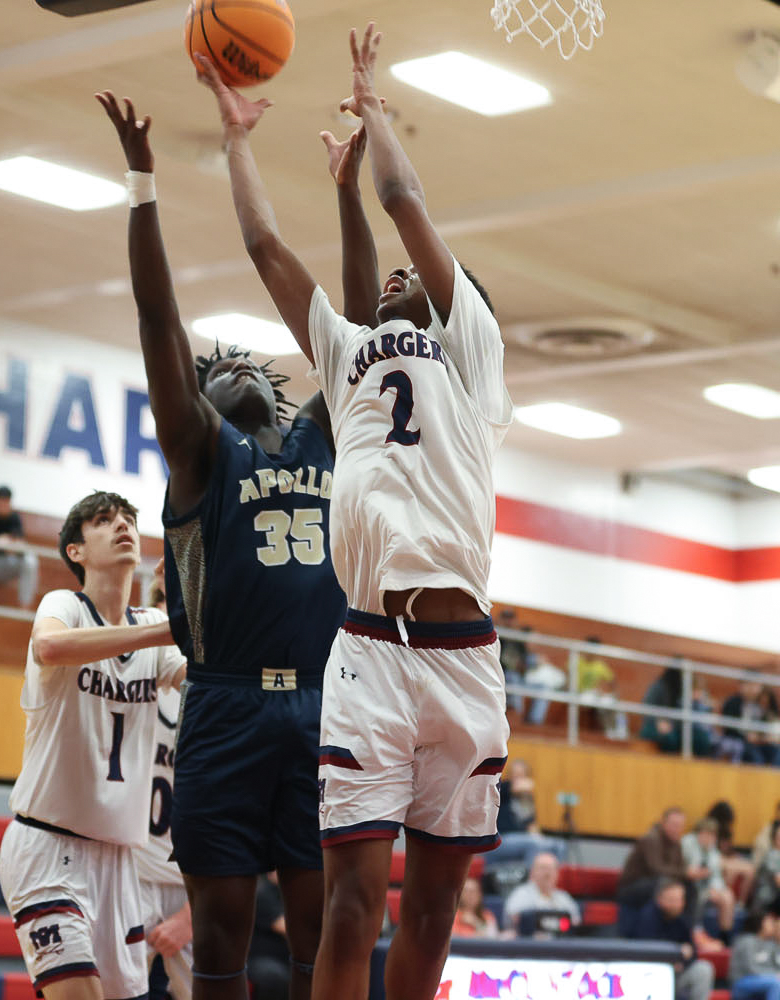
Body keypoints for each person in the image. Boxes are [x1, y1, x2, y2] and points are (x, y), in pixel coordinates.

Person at [196, 18, 515, 1000]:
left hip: (464, 657)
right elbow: (261, 242)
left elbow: (404, 197)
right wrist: (237, 136)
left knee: (431, 917)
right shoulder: (345, 349)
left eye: (411, 276)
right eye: (388, 273)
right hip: (371, 646)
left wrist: (373, 104)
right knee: (348, 908)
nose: (395, 275)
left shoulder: (470, 351)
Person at [97, 85, 347, 1000]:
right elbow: (158, 323)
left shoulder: (325, 433)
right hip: (227, 706)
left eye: (254, 360)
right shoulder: (203, 452)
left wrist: (346, 193)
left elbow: (351, 318)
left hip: (326, 705)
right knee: (224, 948)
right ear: (202, 398)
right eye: (221, 364)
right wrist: (142, 185)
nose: (241, 361)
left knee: (330, 942)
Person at [0, 490, 186, 1000]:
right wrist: (169, 632)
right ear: (76, 551)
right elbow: (51, 646)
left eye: (128, 519)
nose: (121, 526)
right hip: (48, 845)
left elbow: (203, 670)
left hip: (119, 861)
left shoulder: (152, 625)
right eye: (104, 521)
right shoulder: (65, 605)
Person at [139, 564, 193, 1000]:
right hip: (129, 873)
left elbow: (255, 815)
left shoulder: (224, 688)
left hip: (200, 884)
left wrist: (190, 916)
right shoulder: (128, 682)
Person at [632, 879, 715, 1000]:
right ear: (659, 899)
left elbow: (693, 953)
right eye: (672, 900)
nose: (678, 904)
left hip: (676, 973)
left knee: (703, 969)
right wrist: (673, 957)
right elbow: (645, 952)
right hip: (651, 976)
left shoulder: (682, 919)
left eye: (680, 900)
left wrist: (685, 959)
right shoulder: (647, 918)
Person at [618, 807, 689, 922]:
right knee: (663, 884)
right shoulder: (651, 839)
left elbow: (680, 868)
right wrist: (685, 873)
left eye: (680, 826)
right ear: (664, 823)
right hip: (631, 888)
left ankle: (693, 929)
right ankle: (650, 929)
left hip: (656, 883)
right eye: (674, 825)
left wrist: (687, 875)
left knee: (689, 886)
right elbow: (656, 869)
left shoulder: (676, 843)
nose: (677, 829)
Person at [502, 852, 579, 938]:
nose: (547, 873)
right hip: (530, 946)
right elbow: (514, 918)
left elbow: (575, 922)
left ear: (558, 874)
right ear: (532, 872)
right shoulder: (521, 893)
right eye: (543, 868)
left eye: (551, 869)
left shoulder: (563, 897)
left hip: (560, 945)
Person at [731, 912, 780, 1000]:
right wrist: (776, 975)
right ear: (760, 924)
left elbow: (771, 966)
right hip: (741, 981)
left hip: (761, 980)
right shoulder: (747, 941)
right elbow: (751, 969)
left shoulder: (767, 943)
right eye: (769, 922)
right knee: (776, 983)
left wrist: (779, 975)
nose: (773, 925)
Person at [682, 818, 736, 934]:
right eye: (706, 834)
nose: (708, 838)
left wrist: (715, 889)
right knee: (700, 895)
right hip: (689, 883)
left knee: (728, 897)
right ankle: (696, 929)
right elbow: (688, 869)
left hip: (706, 885)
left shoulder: (713, 851)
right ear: (698, 833)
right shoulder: (687, 843)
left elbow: (715, 875)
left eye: (712, 835)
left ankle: (725, 935)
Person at [248, 873, 291, 1000]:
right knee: (276, 976)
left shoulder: (289, 894)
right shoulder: (263, 893)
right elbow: (285, 927)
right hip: (260, 960)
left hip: (284, 960)